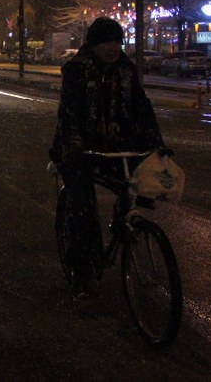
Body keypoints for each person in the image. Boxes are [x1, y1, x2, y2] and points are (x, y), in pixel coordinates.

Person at [49, 17, 166, 298]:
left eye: (117, 42)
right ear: (94, 44)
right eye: (106, 42)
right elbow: (69, 115)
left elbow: (142, 109)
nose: (113, 48)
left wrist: (156, 144)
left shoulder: (126, 71)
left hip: (116, 145)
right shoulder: (77, 70)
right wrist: (74, 148)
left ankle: (124, 221)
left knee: (138, 186)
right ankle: (81, 271)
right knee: (82, 207)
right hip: (79, 149)